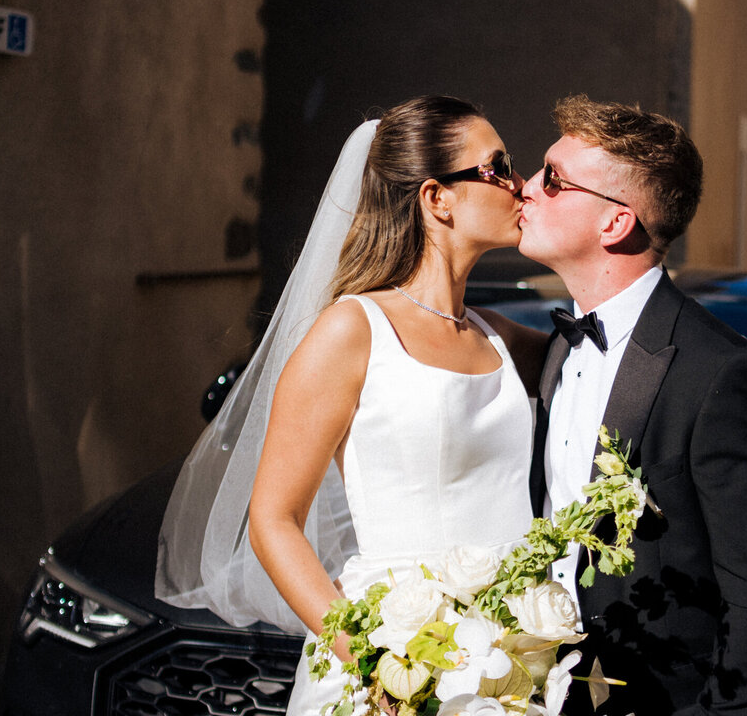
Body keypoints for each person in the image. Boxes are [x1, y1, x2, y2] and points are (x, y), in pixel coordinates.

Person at [155, 95, 546, 715]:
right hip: (395, 657)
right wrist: (371, 661)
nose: (521, 186)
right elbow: (273, 520)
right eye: (499, 167)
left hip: (512, 661)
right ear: (436, 198)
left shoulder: (499, 337)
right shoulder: (352, 330)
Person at [518, 94, 747, 716]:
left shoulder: (724, 374)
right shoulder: (554, 349)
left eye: (552, 179)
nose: (526, 189)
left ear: (615, 223)